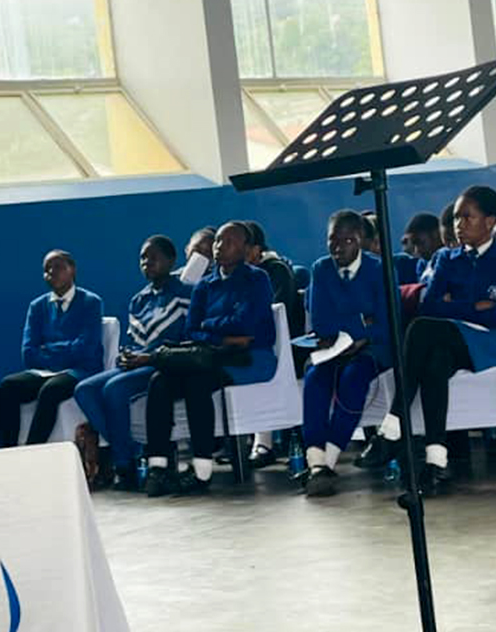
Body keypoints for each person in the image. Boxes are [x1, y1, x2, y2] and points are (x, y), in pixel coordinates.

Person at [356, 186, 496, 495]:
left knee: (422, 329)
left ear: (489, 221)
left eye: (467, 217)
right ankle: (436, 461)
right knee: (435, 360)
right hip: (451, 338)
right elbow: (430, 306)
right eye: (457, 217)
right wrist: (475, 306)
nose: (459, 225)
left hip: (494, 341)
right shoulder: (447, 257)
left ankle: (392, 428)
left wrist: (455, 305)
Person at [141, 222, 277, 497]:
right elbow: (191, 330)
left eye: (229, 242)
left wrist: (210, 326)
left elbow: (247, 324)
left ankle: (202, 470)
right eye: (218, 241)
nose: (219, 247)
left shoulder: (257, 279)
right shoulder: (204, 285)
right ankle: (158, 466)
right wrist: (224, 336)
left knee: (197, 382)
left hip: (250, 358)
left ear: (246, 249)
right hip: (212, 355)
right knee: (159, 381)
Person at [73, 236, 192, 490]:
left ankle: (124, 466)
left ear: (171, 261)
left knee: (114, 389)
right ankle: (131, 449)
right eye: (143, 258)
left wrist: (146, 356)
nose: (147, 262)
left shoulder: (185, 293)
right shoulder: (139, 300)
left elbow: (185, 339)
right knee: (84, 389)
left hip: (163, 362)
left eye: (154, 257)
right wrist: (126, 355)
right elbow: (135, 340)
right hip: (137, 361)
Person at [301, 210, 392, 496]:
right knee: (315, 378)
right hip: (334, 347)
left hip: (373, 347)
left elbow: (387, 322)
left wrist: (361, 335)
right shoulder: (321, 268)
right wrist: (362, 321)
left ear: (361, 240)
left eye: (348, 240)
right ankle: (315, 461)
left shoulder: (379, 269)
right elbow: (321, 322)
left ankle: (326, 461)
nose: (338, 248)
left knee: (354, 378)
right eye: (333, 240)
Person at [0, 251, 104, 448]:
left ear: (72, 270)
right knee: (8, 386)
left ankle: (33, 450)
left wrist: (49, 349)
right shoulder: (37, 306)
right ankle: (8, 451)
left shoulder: (91, 302)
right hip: (45, 371)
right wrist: (64, 350)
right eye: (46, 270)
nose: (51, 273)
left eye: (58, 267)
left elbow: (86, 348)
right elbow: (28, 353)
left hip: (81, 370)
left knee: (51, 389)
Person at [242, 221, 305, 468]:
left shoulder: (275, 270)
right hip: (253, 342)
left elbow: (274, 315)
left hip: (285, 346)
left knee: (254, 362)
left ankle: (263, 443)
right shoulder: (237, 275)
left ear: (256, 249)